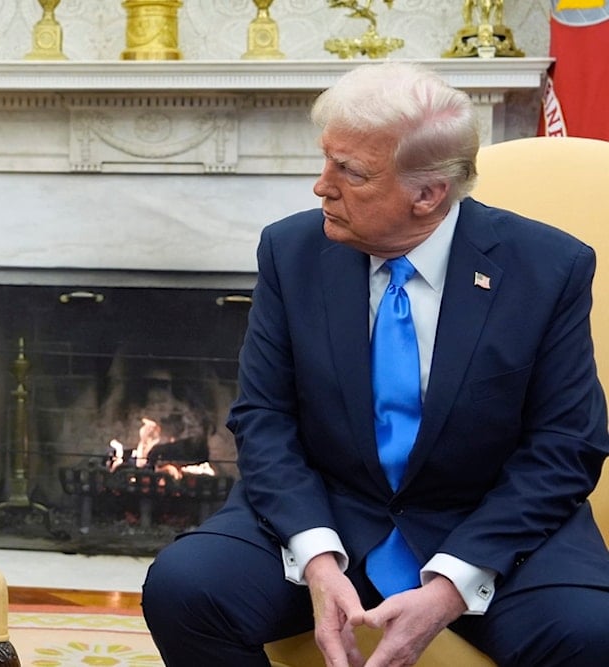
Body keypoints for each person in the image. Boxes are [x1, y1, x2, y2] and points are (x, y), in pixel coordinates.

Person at [142, 62, 609, 667]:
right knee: (186, 588)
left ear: (428, 193)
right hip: (330, 510)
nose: (321, 186)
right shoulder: (292, 252)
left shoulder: (548, 268)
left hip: (487, 522)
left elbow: (566, 446)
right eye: (326, 159)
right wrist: (313, 554)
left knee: (590, 635)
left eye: (351, 172)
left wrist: (450, 586)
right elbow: (264, 418)